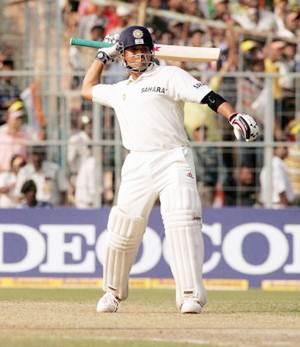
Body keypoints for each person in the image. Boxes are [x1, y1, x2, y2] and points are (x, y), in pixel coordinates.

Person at [81, 25, 259, 314]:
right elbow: (87, 88)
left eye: (143, 50)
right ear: (123, 56)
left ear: (151, 52)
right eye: (133, 51)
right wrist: (103, 55)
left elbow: (209, 97)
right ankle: (112, 293)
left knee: (182, 222)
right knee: (122, 229)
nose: (139, 55)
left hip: (173, 158)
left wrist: (233, 115)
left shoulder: (170, 76)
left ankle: (190, 294)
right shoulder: (119, 90)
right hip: (137, 162)